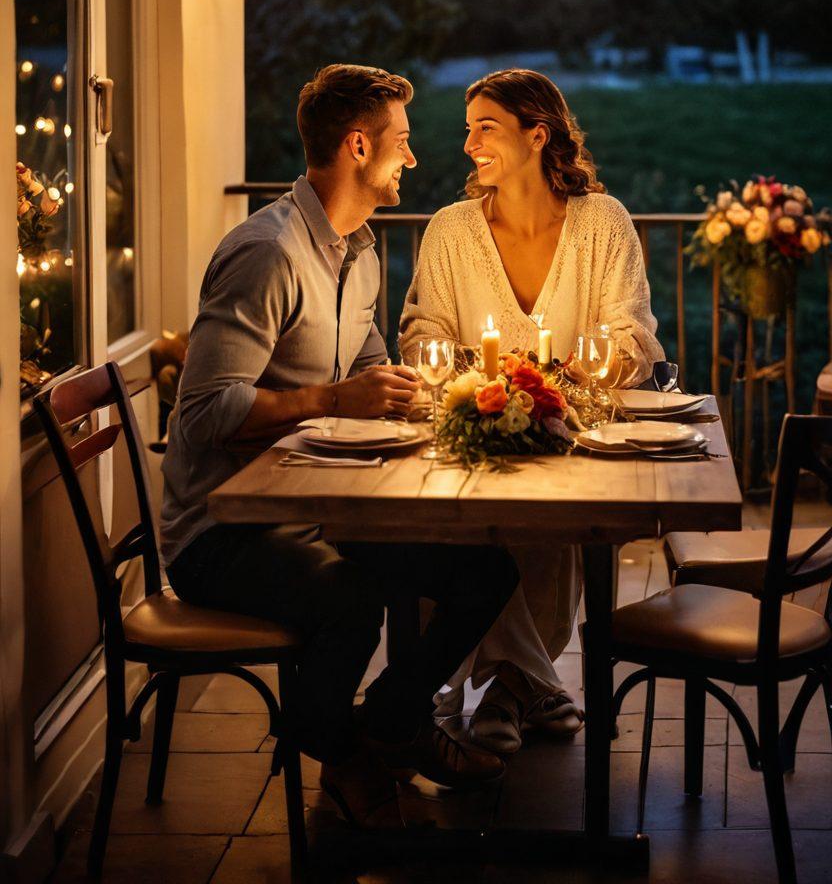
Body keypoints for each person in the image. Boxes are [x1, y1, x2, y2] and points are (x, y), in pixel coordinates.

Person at [161, 64, 519, 827]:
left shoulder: (355, 252)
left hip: (315, 504)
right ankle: (337, 745)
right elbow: (203, 414)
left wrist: (424, 392)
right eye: (402, 142)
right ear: (359, 147)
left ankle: (392, 719)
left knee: (485, 568)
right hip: (223, 533)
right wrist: (331, 400)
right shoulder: (267, 255)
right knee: (353, 597)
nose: (414, 158)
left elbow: (364, 365)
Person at [399, 68, 664, 756]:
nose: (468, 146)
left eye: (484, 127)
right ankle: (527, 687)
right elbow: (421, 331)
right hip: (471, 432)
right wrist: (475, 376)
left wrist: (592, 364)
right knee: (457, 529)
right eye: (467, 130)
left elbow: (634, 335)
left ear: (537, 135)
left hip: (568, 436)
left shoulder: (604, 224)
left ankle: (501, 688)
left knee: (548, 525)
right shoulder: (451, 230)